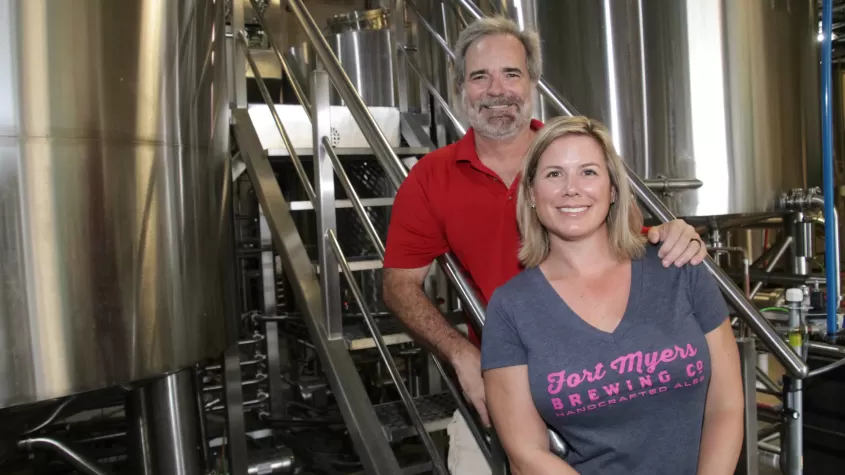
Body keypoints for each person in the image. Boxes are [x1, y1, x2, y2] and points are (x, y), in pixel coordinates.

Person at [382, 16, 709, 473]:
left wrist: (670, 234)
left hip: (606, 379)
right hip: (504, 378)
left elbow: (627, 244)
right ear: (461, 87)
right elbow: (399, 285)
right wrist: (462, 354)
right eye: (480, 76)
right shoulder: (431, 178)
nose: (497, 90)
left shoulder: (578, 158)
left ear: (532, 83)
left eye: (511, 74)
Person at [480, 115, 745, 474]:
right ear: (530, 193)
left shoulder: (679, 266)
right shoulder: (511, 308)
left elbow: (726, 404)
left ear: (614, 189)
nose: (571, 189)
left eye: (588, 172)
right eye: (554, 174)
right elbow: (527, 454)